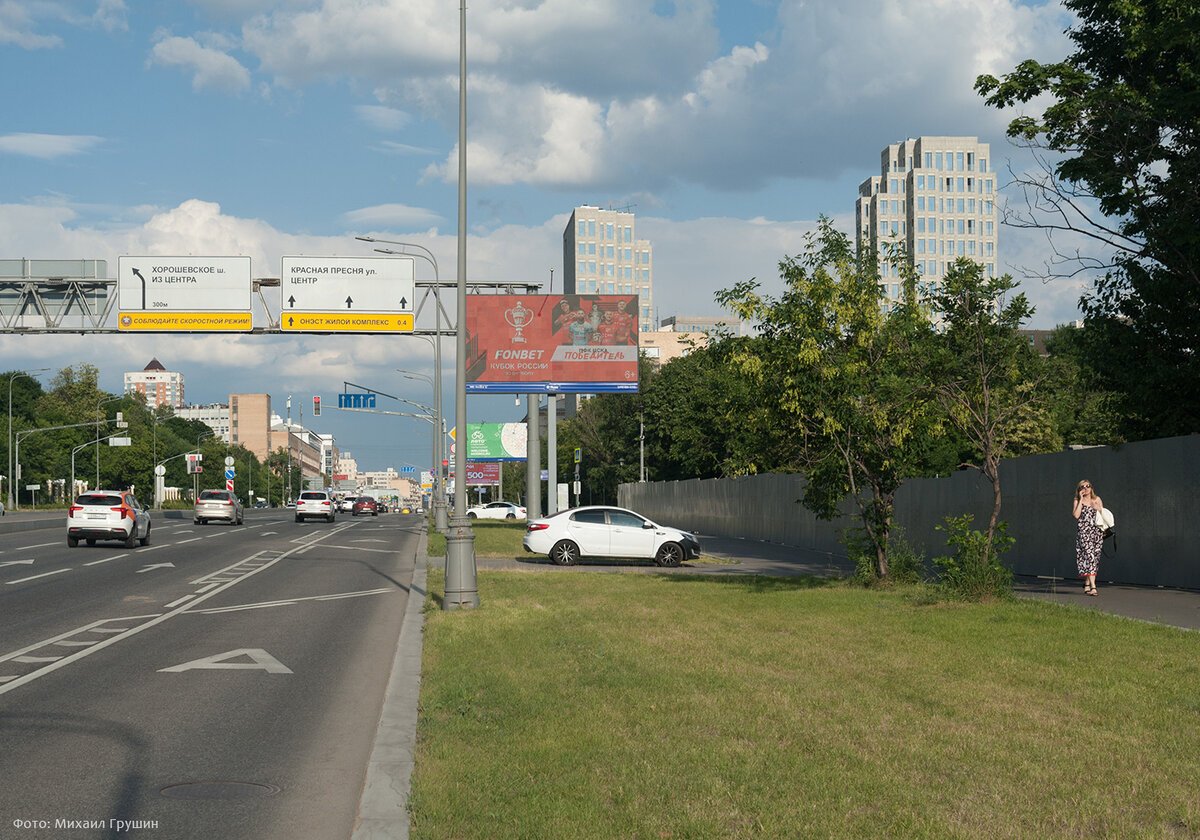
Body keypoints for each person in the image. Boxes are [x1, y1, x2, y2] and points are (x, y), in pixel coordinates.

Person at [1073, 479, 1104, 595]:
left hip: (1097, 533)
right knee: (1090, 556)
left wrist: (1098, 509)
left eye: (1088, 486)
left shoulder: (1097, 499)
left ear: (1091, 488)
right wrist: (1081, 500)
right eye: (1082, 487)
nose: (1085, 488)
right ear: (1079, 490)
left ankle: (1086, 583)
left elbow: (1103, 515)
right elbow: (1076, 515)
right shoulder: (1077, 500)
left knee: (1094, 559)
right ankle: (1093, 587)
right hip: (1084, 533)